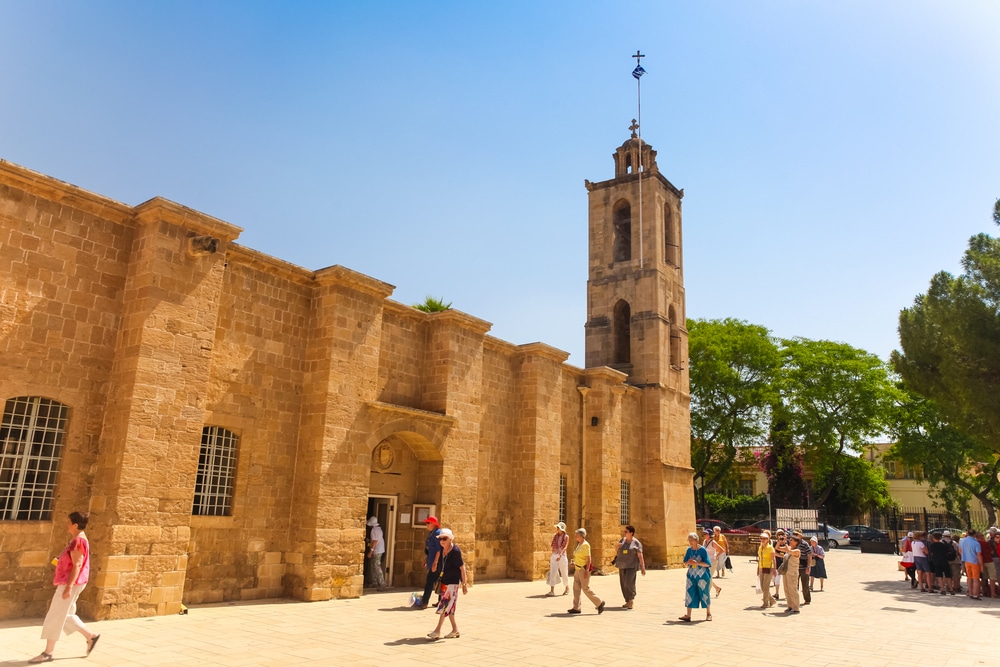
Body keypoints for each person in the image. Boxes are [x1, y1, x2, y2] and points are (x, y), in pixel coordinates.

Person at [29, 511, 100, 664]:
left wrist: (68, 587)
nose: (67, 525)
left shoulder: (78, 541)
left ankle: (48, 652)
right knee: (66, 614)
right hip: (72, 583)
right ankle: (91, 636)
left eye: (69, 523)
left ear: (75, 525)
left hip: (70, 583)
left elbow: (77, 565)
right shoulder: (78, 540)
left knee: (55, 615)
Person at [426, 528, 468, 640]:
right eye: (440, 539)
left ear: (450, 539)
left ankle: (437, 630)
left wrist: (464, 584)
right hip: (445, 581)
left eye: (444, 538)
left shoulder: (455, 551)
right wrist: (434, 564)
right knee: (449, 608)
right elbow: (439, 557)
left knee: (444, 606)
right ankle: (455, 629)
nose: (442, 541)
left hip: (453, 583)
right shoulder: (442, 549)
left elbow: (462, 568)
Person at [567, 528, 605, 615]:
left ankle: (599, 603)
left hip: (583, 569)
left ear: (581, 536)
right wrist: (574, 563)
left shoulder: (585, 545)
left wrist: (587, 571)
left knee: (585, 588)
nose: (575, 536)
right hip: (577, 569)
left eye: (577, 535)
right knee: (576, 588)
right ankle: (576, 607)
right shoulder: (579, 544)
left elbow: (588, 559)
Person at [678, 532, 712, 621]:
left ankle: (708, 614)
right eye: (689, 540)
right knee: (689, 593)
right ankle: (688, 615)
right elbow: (685, 562)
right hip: (691, 575)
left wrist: (697, 563)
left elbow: (708, 564)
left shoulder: (702, 550)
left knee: (704, 593)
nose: (690, 542)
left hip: (702, 576)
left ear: (696, 540)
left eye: (691, 540)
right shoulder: (689, 550)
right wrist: (689, 561)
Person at [614, 525, 646, 609]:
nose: (624, 533)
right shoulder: (622, 540)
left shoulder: (636, 543)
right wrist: (617, 547)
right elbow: (617, 551)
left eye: (626, 532)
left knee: (629, 583)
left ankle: (631, 599)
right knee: (623, 583)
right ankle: (627, 600)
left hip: (631, 566)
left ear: (631, 533)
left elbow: (640, 556)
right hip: (622, 565)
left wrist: (643, 567)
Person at [418, 515, 442, 609]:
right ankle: (441, 601)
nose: (426, 525)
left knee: (430, 581)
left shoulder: (437, 533)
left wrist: (435, 563)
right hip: (432, 560)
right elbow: (430, 549)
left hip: (437, 562)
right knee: (438, 581)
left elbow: (438, 550)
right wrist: (426, 559)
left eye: (428, 523)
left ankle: (425, 602)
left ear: (433, 524)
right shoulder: (432, 533)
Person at [776, 534, 801, 613]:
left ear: (796, 542)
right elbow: (777, 548)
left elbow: (790, 551)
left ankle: (796, 607)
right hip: (786, 572)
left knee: (792, 589)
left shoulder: (797, 551)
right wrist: (779, 541)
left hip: (792, 573)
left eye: (792, 540)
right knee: (786, 589)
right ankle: (790, 606)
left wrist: (786, 543)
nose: (790, 541)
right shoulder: (789, 548)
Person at [547, 522, 570, 597]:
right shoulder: (555, 536)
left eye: (558, 528)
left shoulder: (566, 536)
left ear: (561, 529)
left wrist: (560, 555)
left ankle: (567, 588)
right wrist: (553, 555)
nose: (557, 529)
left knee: (564, 573)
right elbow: (553, 546)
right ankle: (552, 591)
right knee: (553, 572)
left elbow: (565, 546)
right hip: (555, 555)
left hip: (562, 556)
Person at [959, 529, 983, 600]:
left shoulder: (962, 541)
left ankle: (970, 593)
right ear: (975, 534)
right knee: (976, 579)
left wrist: (964, 555)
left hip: (966, 561)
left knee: (969, 577)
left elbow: (960, 550)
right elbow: (979, 554)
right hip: (975, 561)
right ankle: (976, 594)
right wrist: (981, 565)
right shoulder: (976, 543)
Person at [756, 531, 777, 608]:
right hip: (762, 567)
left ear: (768, 539)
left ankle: (765, 602)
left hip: (769, 568)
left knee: (766, 586)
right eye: (761, 538)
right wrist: (758, 568)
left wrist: (774, 569)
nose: (762, 540)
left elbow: (773, 559)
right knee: (762, 586)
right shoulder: (760, 547)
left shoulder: (770, 548)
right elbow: (759, 558)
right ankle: (771, 600)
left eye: (764, 538)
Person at [366, 516, 386, 591]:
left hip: (377, 550)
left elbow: (375, 541)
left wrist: (370, 551)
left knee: (377, 566)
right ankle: (375, 582)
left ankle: (382, 583)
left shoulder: (374, 530)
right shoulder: (379, 529)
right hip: (379, 549)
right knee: (373, 565)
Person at [793, 529, 811, 605]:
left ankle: (807, 599)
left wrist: (808, 567)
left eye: (796, 534)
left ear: (800, 535)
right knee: (794, 585)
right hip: (795, 566)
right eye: (794, 534)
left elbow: (809, 555)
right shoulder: (793, 543)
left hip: (803, 567)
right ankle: (794, 600)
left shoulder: (805, 544)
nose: (795, 536)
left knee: (805, 584)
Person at [703, 529, 724, 597]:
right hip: (706, 561)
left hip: (712, 561)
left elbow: (722, 550)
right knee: (706, 576)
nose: (704, 535)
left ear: (709, 535)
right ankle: (717, 588)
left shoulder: (713, 542)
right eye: (704, 534)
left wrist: (717, 556)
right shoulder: (704, 542)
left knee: (708, 576)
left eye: (706, 534)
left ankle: (706, 593)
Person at [772, 529, 787, 601]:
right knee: (777, 578)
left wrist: (784, 541)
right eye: (779, 535)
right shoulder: (775, 543)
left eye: (782, 534)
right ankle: (777, 593)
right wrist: (779, 542)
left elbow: (788, 550)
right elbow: (774, 551)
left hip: (785, 563)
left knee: (786, 579)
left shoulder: (787, 542)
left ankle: (787, 594)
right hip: (778, 562)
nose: (780, 536)